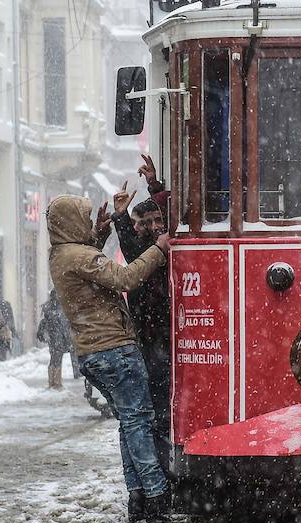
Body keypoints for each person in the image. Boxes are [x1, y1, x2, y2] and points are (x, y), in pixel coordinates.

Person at [47, 193, 172, 523]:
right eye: (84, 220)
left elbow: (89, 261)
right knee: (139, 422)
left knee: (128, 423)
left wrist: (100, 234)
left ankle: (138, 495)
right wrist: (159, 249)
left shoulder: (61, 254)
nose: (89, 223)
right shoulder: (77, 256)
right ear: (71, 223)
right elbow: (126, 278)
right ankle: (157, 495)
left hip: (93, 351)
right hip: (114, 348)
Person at [112, 156, 173, 466]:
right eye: (145, 223)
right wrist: (121, 216)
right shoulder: (148, 252)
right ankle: (157, 475)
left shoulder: (165, 247)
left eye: (157, 221)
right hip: (151, 339)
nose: (152, 227)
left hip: (161, 338)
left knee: (155, 412)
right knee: (154, 412)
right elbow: (136, 251)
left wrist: (154, 186)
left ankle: (156, 476)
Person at [37, 289, 72, 389]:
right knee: (57, 359)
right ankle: (56, 383)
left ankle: (52, 382)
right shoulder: (60, 308)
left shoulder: (48, 307)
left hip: (52, 338)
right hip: (58, 337)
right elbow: (63, 324)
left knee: (53, 358)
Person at [0, 291, 16, 362]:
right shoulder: (6, 304)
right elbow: (11, 317)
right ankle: (4, 357)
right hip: (5, 327)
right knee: (5, 342)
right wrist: (12, 328)